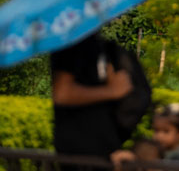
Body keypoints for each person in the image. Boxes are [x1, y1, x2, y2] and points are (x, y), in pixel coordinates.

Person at [50, 32, 134, 162]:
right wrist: (111, 91)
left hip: (99, 149)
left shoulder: (93, 41)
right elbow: (62, 93)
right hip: (82, 151)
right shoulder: (75, 40)